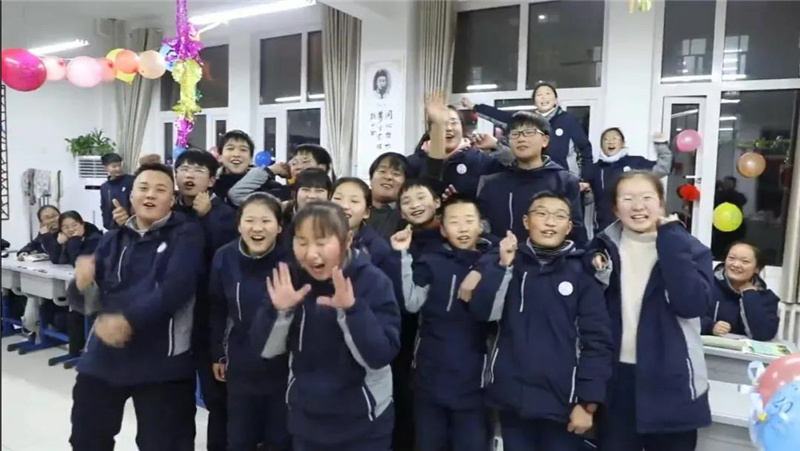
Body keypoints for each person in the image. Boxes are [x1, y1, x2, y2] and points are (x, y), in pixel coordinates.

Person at [69, 163, 204, 451]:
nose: (150, 195)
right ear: (131, 196)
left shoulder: (187, 234)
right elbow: (87, 302)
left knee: (164, 443)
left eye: (160, 189)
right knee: (86, 439)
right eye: (143, 188)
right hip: (105, 355)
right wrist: (82, 284)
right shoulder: (111, 239)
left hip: (162, 361)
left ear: (172, 199)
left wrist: (127, 320)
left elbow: (176, 289)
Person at [467, 192, 612, 451]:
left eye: (559, 216)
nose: (549, 222)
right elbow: (483, 313)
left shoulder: (582, 273)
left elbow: (597, 342)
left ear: (569, 226)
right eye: (541, 214)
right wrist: (501, 267)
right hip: (512, 400)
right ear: (526, 221)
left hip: (564, 404)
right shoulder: (510, 264)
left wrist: (588, 403)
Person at [251, 202, 401, 451]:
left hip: (364, 423)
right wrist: (280, 312)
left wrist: (351, 311)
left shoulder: (373, 281)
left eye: (321, 243)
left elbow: (379, 355)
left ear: (347, 239)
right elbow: (265, 350)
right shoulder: (290, 280)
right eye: (302, 242)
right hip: (306, 420)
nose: (311, 254)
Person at [588, 171, 712, 451]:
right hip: (616, 380)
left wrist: (671, 241)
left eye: (647, 197)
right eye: (627, 198)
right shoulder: (602, 249)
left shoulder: (690, 250)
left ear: (661, 203)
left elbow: (690, 304)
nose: (638, 206)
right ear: (615, 208)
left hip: (672, 378)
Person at [390, 195, 494, 451]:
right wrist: (402, 255)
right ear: (443, 229)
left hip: (474, 380)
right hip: (430, 375)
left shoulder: (494, 263)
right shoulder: (431, 261)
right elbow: (411, 303)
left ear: (480, 226)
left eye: (469, 221)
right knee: (429, 443)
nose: (462, 228)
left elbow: (507, 252)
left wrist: (483, 267)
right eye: (454, 222)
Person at [209, 193, 291, 451]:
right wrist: (218, 353)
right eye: (250, 220)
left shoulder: (291, 259)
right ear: (239, 225)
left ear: (279, 227)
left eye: (266, 221)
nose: (257, 228)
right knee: (240, 438)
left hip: (284, 365)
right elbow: (217, 307)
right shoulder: (224, 257)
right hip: (241, 362)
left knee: (279, 439)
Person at [172, 148, 239, 451]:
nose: (189, 175)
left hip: (208, 319)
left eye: (198, 170)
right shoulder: (169, 211)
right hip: (174, 318)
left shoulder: (225, 214)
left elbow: (222, 262)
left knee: (216, 397)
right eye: (184, 169)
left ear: (211, 180)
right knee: (175, 397)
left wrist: (207, 217)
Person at [477, 111, 586, 246]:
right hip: (503, 256)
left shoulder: (564, 182)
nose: (521, 139)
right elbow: (483, 229)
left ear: (545, 140)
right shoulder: (493, 184)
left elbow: (576, 232)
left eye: (529, 132)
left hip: (550, 257)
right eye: (515, 134)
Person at [462, 83, 593, 178]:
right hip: (532, 176)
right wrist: (475, 107)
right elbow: (500, 116)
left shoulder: (568, 120)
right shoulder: (527, 120)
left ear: (555, 100)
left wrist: (585, 178)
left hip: (562, 177)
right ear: (534, 101)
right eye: (539, 95)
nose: (543, 97)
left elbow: (584, 149)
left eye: (548, 94)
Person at [407, 95, 510, 200]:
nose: (448, 128)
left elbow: (515, 170)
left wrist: (496, 145)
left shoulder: (479, 161)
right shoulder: (414, 163)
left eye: (453, 122)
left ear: (462, 127)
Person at [587, 129, 673, 232]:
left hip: (635, 222)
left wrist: (661, 145)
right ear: (601, 145)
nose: (610, 142)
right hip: (604, 226)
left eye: (615, 138)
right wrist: (586, 192)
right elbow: (588, 200)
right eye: (606, 139)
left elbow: (663, 169)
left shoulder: (636, 163)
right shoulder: (595, 169)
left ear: (623, 143)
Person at [331, 177, 402, 298]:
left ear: (366, 213)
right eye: (337, 199)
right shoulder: (310, 238)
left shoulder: (378, 248)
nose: (344, 206)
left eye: (354, 201)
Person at [701, 241, 780, 341]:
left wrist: (749, 294)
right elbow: (687, 319)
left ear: (757, 268)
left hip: (743, 351)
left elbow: (764, 334)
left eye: (745, 261)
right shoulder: (706, 285)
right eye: (731, 258)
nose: (736, 264)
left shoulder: (767, 298)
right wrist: (710, 327)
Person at [50, 211, 102, 359]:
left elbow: (77, 262)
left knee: (75, 311)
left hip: (96, 287)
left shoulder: (95, 238)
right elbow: (56, 260)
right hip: (76, 283)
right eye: (65, 227)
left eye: (74, 225)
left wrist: (75, 240)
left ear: (82, 224)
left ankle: (84, 346)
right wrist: (58, 244)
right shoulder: (66, 238)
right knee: (52, 307)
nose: (71, 229)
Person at [228, 143, 335, 206]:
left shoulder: (335, 194)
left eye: (305, 161)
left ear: (322, 168)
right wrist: (270, 171)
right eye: (294, 162)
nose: (298, 167)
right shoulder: (281, 195)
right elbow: (237, 194)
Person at [213, 130, 291, 205]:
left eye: (243, 150)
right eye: (230, 148)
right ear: (220, 156)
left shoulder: (266, 184)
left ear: (250, 159)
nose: (236, 154)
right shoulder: (212, 184)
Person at [280, 168, 332, 245]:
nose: (312, 196)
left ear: (329, 195)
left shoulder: (335, 222)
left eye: (319, 191)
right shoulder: (280, 219)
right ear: (294, 193)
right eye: (306, 190)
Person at [367, 152, 410, 241]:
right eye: (382, 171)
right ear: (371, 178)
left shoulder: (407, 215)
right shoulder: (356, 206)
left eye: (396, 174)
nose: (388, 177)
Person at [99, 153, 135, 231]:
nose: (118, 169)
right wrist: (108, 225)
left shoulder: (131, 180)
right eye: (114, 166)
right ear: (105, 168)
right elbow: (104, 207)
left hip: (131, 225)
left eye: (119, 165)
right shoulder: (104, 187)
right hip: (113, 228)